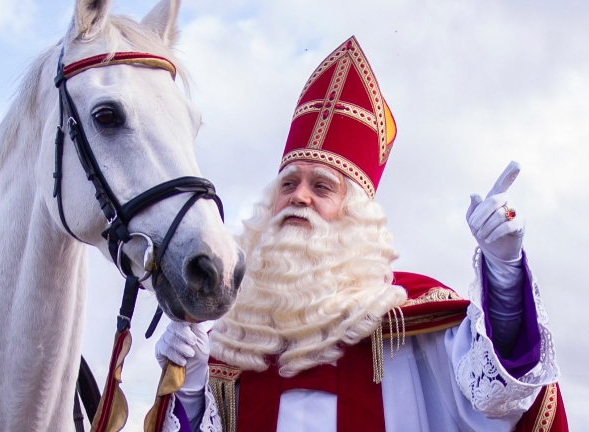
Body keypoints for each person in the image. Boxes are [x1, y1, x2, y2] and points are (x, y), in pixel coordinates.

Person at [154, 36, 568, 432]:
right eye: (288, 184)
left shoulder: (409, 323)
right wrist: (190, 389)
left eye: (321, 187)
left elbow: (502, 399)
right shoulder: (230, 338)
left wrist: (504, 269)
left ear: (356, 218)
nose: (299, 197)